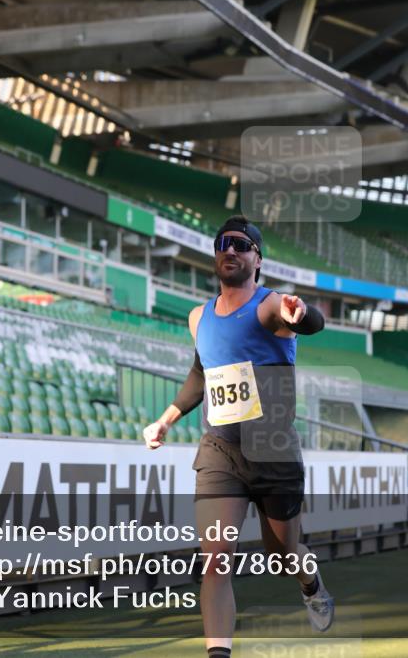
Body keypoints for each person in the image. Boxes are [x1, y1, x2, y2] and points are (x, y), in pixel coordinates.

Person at [142, 216, 333, 658]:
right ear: (215, 254)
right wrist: (166, 419)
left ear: (257, 259)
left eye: (242, 245)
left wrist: (302, 314)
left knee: (282, 553)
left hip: (273, 451)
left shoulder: (270, 307)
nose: (231, 250)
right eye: (223, 243)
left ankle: (311, 583)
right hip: (220, 452)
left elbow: (313, 323)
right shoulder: (198, 317)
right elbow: (200, 372)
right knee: (215, 556)